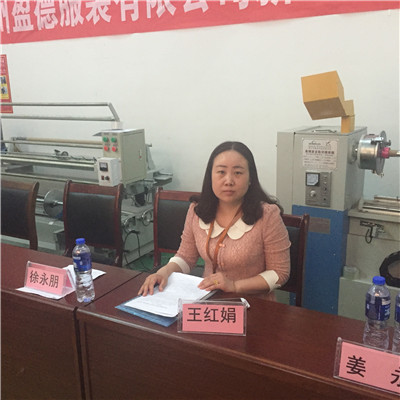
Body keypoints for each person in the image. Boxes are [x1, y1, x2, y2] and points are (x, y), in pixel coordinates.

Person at [139, 141, 290, 300]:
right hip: (208, 300)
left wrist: (234, 286)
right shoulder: (197, 210)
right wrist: (164, 272)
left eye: (238, 173)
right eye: (221, 172)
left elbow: (279, 273)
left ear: (250, 178)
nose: (229, 180)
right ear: (210, 176)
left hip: (254, 304)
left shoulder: (267, 215)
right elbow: (185, 256)